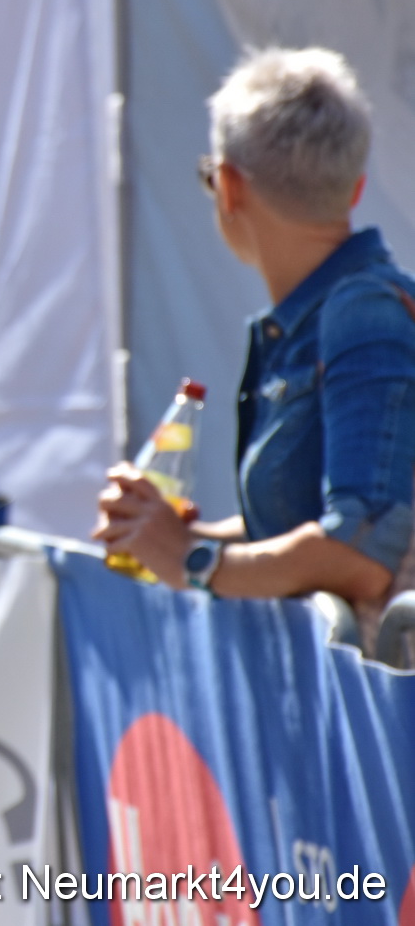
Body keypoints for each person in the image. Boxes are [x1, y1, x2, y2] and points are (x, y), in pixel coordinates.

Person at [95, 48, 415, 649]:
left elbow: (360, 550)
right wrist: (178, 536)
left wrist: (192, 560)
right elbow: (305, 528)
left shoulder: (360, 313)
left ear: (231, 187)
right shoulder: (325, 314)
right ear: (355, 187)